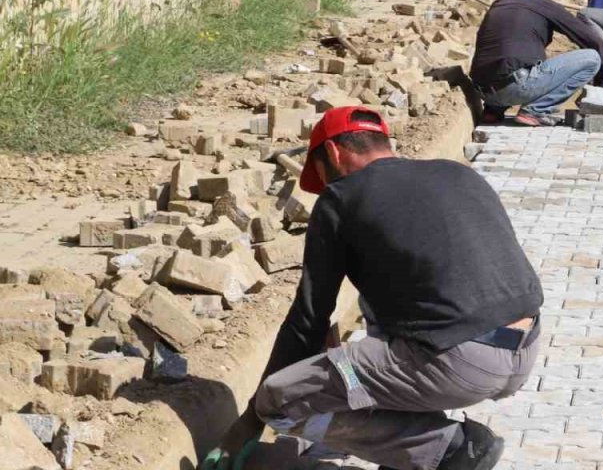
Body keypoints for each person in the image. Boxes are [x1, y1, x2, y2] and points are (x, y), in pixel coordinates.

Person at [205, 106, 543, 470]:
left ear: (333, 153)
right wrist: (337, 369)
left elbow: (308, 320)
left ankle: (446, 447)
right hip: (524, 349)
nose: (326, 185)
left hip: (458, 363)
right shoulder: (456, 174)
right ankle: (403, 455)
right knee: (381, 316)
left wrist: (251, 420)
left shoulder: (341, 198)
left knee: (280, 399)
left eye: (321, 173)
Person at [469, 0, 603, 126]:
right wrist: (601, 84)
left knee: (511, 59)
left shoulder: (497, 6)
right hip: (515, 88)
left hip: (482, 91)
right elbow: (589, 38)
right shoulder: (540, 3)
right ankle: (536, 110)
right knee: (591, 58)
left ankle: (493, 111)